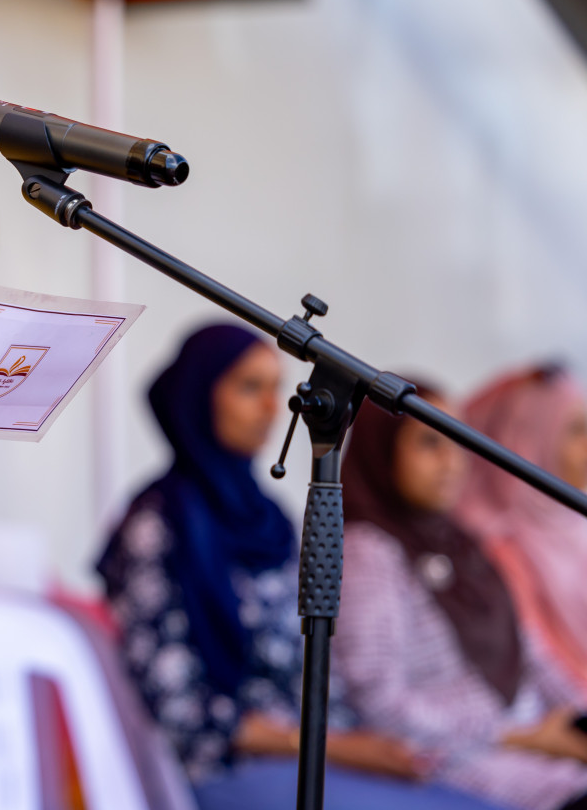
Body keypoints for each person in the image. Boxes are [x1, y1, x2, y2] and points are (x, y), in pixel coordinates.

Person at [98, 324, 499, 810]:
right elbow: (181, 711)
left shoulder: (270, 520)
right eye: (250, 387)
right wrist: (332, 746)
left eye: (276, 388)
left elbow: (314, 663)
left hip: (316, 753)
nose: (274, 408)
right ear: (199, 396)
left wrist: (365, 743)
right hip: (222, 768)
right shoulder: (156, 526)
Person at [336, 384, 587, 810]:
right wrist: (524, 738)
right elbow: (379, 705)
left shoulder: (463, 544)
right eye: (430, 443)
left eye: (458, 441)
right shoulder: (369, 553)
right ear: (383, 451)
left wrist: (577, 718)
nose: (451, 460)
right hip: (460, 760)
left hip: (533, 745)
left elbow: (531, 655)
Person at [457, 367, 587, 694]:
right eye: (576, 431)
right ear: (529, 439)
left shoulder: (574, 522)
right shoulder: (494, 542)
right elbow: (539, 660)